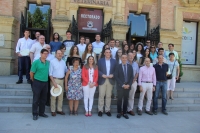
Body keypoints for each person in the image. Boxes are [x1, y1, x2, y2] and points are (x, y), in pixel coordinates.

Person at [30, 49, 50, 120]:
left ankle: (41, 112)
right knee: (36, 99)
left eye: (47, 54)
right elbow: (31, 73)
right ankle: (35, 114)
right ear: (41, 54)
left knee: (43, 99)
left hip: (45, 82)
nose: (46, 55)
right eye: (44, 53)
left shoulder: (48, 62)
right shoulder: (36, 62)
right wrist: (33, 80)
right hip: (37, 82)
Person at [97, 49, 116, 117]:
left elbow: (116, 71)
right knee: (101, 95)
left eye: (109, 52)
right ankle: (100, 110)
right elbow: (97, 70)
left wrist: (113, 75)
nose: (108, 53)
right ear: (104, 53)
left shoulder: (114, 61)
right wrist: (102, 74)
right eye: (106, 52)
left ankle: (107, 110)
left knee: (108, 96)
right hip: (102, 79)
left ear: (110, 53)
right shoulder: (100, 61)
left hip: (110, 80)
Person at [49, 50, 67, 116]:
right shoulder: (52, 62)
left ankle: (59, 109)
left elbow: (66, 70)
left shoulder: (63, 62)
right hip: (54, 80)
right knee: (53, 96)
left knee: (61, 96)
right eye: (58, 53)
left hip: (62, 80)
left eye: (61, 53)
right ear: (55, 54)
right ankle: (53, 110)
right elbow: (50, 73)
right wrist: (53, 82)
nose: (60, 54)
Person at [115, 54, 133, 119]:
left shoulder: (130, 67)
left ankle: (125, 113)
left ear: (127, 59)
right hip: (120, 86)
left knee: (126, 100)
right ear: (121, 59)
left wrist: (129, 85)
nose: (124, 59)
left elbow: (131, 77)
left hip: (127, 86)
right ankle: (119, 112)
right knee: (119, 100)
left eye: (125, 58)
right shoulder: (118, 66)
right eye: (123, 58)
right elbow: (116, 76)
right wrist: (122, 85)